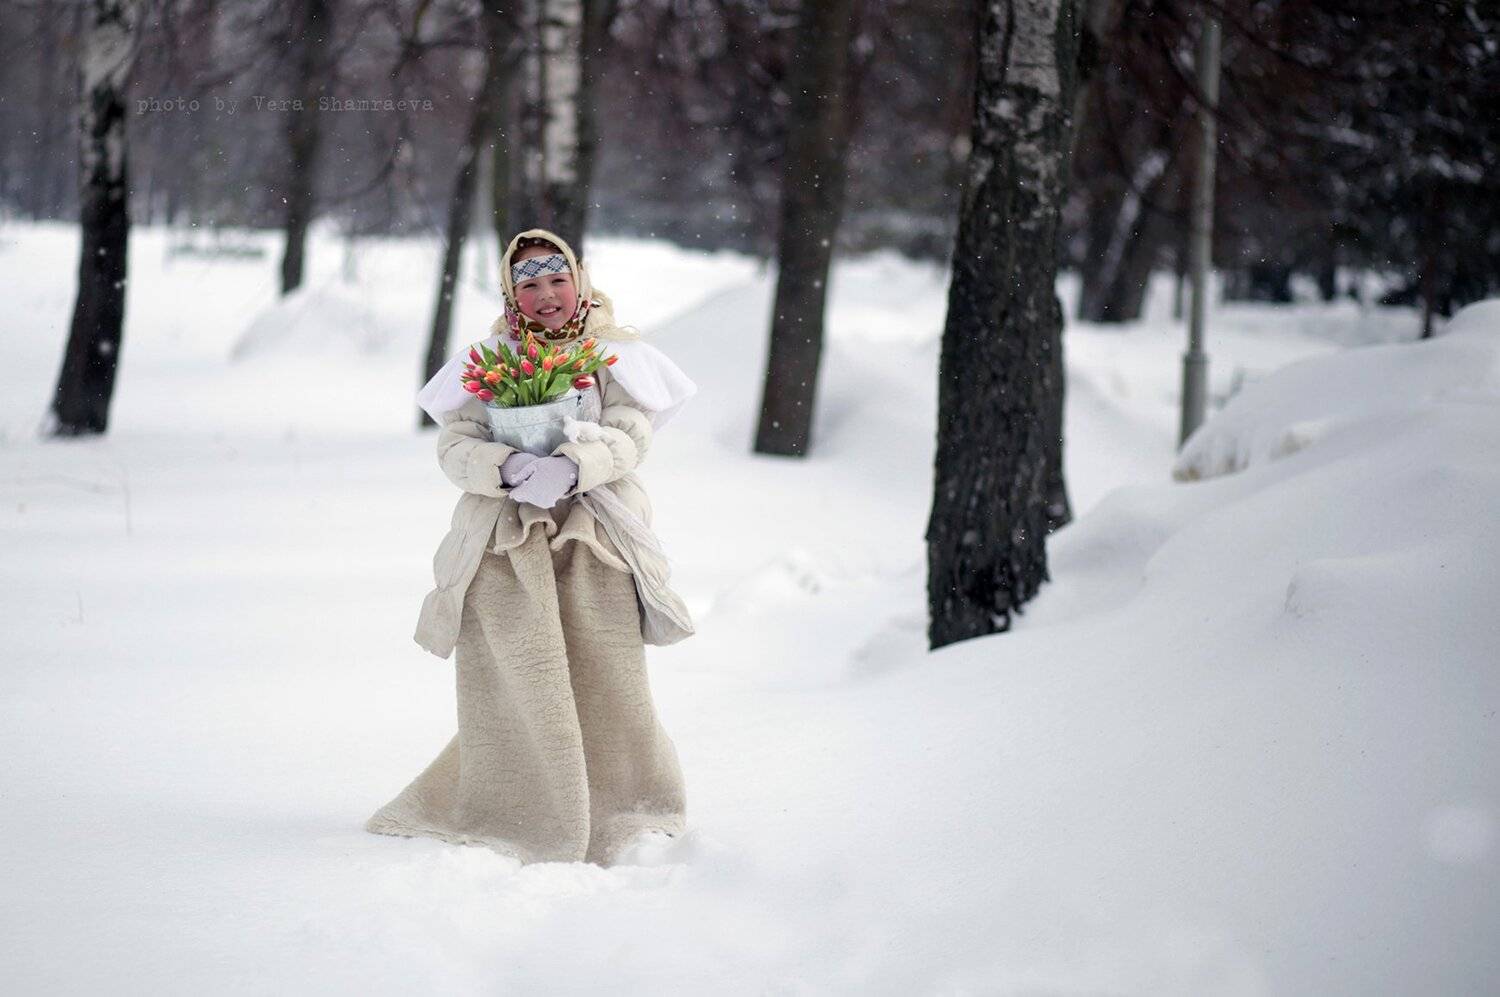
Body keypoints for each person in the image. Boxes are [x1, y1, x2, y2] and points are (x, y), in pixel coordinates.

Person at [365, 228, 696, 866]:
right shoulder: (490, 359)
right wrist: (506, 466)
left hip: (594, 538)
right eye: (530, 284)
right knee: (517, 678)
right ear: (510, 294)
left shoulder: (611, 354)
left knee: (606, 675)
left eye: (557, 279)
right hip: (506, 543)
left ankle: (624, 800)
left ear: (579, 281)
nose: (546, 294)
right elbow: (455, 444)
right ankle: (519, 804)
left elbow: (630, 430)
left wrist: (575, 465)